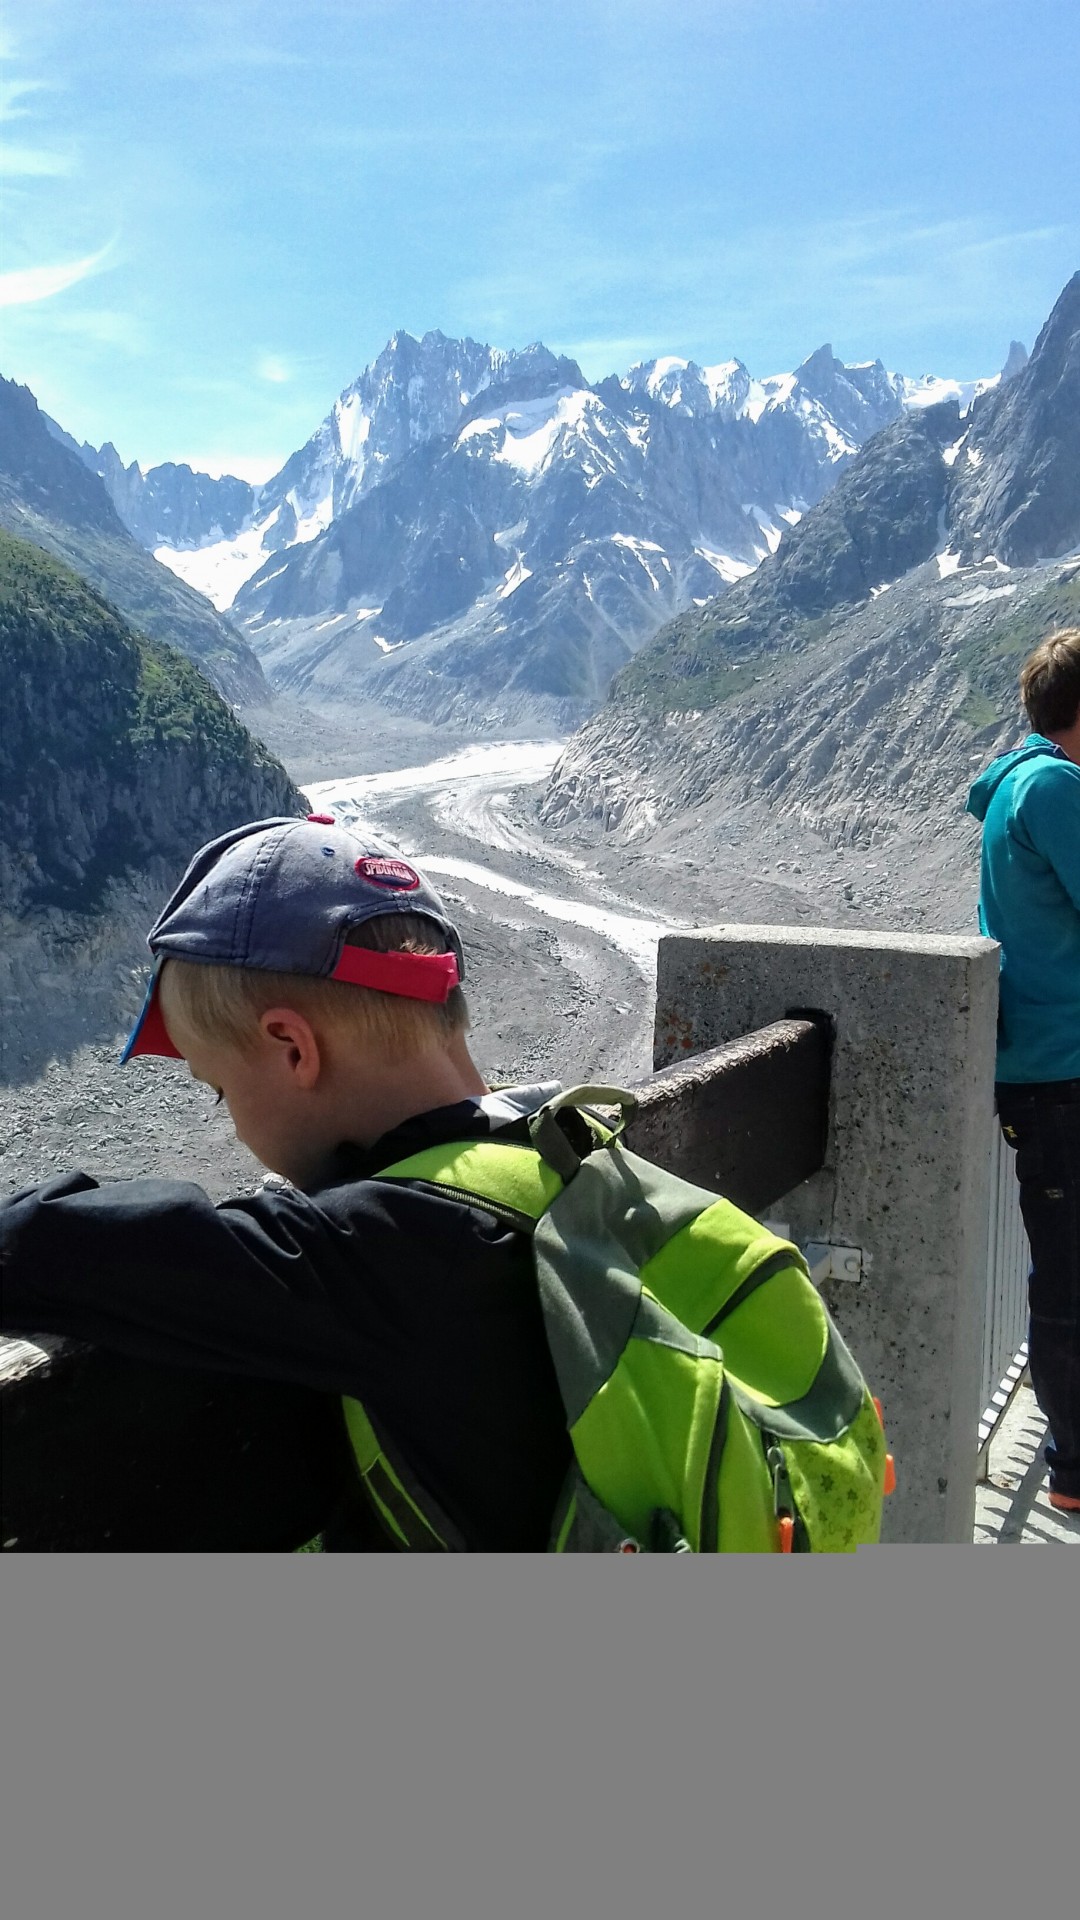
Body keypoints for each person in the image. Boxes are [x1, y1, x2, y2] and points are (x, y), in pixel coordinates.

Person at [0, 815, 573, 1549]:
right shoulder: (562, 1153)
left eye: (218, 1089)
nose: (232, 1122)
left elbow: (59, 1245)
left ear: (292, 1048)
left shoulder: (380, 1253)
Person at [966, 627, 1080, 1515]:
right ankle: (1076, 1470)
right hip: (1064, 1072)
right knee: (1070, 1272)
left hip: (1045, 1070)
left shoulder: (1019, 780)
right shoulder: (1055, 787)